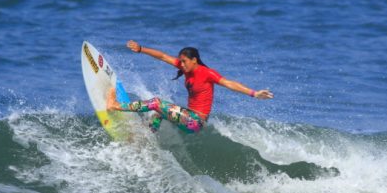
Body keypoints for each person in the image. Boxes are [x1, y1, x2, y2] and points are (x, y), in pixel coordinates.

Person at [107, 40, 274, 134]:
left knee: (157, 103)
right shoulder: (185, 68)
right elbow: (163, 56)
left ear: (194, 60)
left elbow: (229, 83)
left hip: (195, 121)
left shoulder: (207, 73)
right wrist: (141, 49)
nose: (182, 65)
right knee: (158, 113)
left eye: (185, 61)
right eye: (181, 61)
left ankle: (116, 106)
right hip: (190, 118)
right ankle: (145, 137)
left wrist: (254, 93)